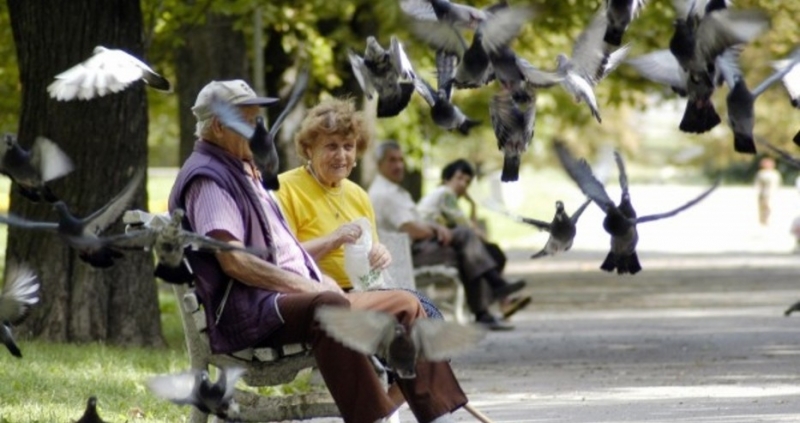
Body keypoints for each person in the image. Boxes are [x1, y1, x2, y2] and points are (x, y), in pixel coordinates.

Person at [167, 80, 467, 423]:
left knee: (406, 304)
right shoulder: (210, 179)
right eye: (248, 121)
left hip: (286, 298)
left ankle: (433, 417)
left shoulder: (242, 170)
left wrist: (320, 279)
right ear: (220, 126)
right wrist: (312, 285)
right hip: (256, 309)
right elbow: (236, 261)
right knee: (330, 306)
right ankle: (372, 417)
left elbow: (283, 250)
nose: (258, 130)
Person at [368, 141, 526, 331]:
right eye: (392, 160)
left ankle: (488, 305)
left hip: (412, 250)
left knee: (470, 250)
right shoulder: (386, 194)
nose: (399, 165)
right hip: (406, 256)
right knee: (468, 242)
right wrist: (435, 230)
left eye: (401, 160)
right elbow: (413, 229)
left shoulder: (393, 191)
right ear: (379, 164)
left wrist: (434, 227)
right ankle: (491, 300)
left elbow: (416, 224)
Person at [274, 97, 390, 290]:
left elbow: (371, 249)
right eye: (331, 146)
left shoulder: (359, 195)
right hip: (313, 291)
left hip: (363, 289)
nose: (341, 156)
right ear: (309, 150)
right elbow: (281, 258)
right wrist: (333, 240)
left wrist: (380, 254)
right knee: (408, 302)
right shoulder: (285, 188)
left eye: (348, 146)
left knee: (418, 302)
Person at [417, 158, 531, 317]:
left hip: (435, 241)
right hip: (427, 244)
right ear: (446, 179)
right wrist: (475, 217)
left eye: (467, 182)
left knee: (482, 254)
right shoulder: (445, 193)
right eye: (459, 178)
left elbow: (467, 227)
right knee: (486, 253)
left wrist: (473, 206)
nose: (463, 184)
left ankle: (499, 299)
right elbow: (468, 228)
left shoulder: (440, 196)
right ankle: (497, 296)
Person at [755, 157, 781, 226]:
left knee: (769, 207)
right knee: (762, 207)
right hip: (763, 193)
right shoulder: (761, 173)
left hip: (771, 193)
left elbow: (776, 184)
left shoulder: (774, 173)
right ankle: (763, 220)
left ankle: (767, 220)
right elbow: (758, 184)